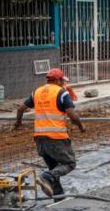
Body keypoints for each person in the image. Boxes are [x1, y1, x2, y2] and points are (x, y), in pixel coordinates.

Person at [15, 68, 85, 199]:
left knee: (54, 167)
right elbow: (72, 115)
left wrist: (18, 124)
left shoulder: (37, 92)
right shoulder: (61, 92)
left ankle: (58, 197)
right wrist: (81, 127)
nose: (63, 84)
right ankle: (46, 177)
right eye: (62, 81)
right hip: (56, 138)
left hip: (40, 139)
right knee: (69, 164)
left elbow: (20, 109)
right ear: (58, 80)